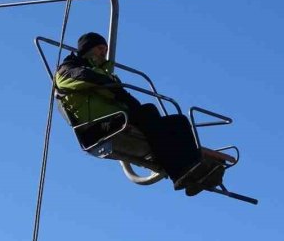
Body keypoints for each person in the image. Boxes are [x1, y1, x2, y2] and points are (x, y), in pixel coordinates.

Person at [55, 32, 223, 195]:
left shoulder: (102, 72)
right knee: (148, 113)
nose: (103, 53)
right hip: (96, 127)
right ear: (87, 49)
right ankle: (180, 172)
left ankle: (194, 167)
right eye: (100, 49)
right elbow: (89, 79)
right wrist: (116, 89)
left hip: (116, 119)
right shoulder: (67, 70)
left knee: (178, 121)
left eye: (105, 50)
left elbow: (113, 89)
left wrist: (119, 92)